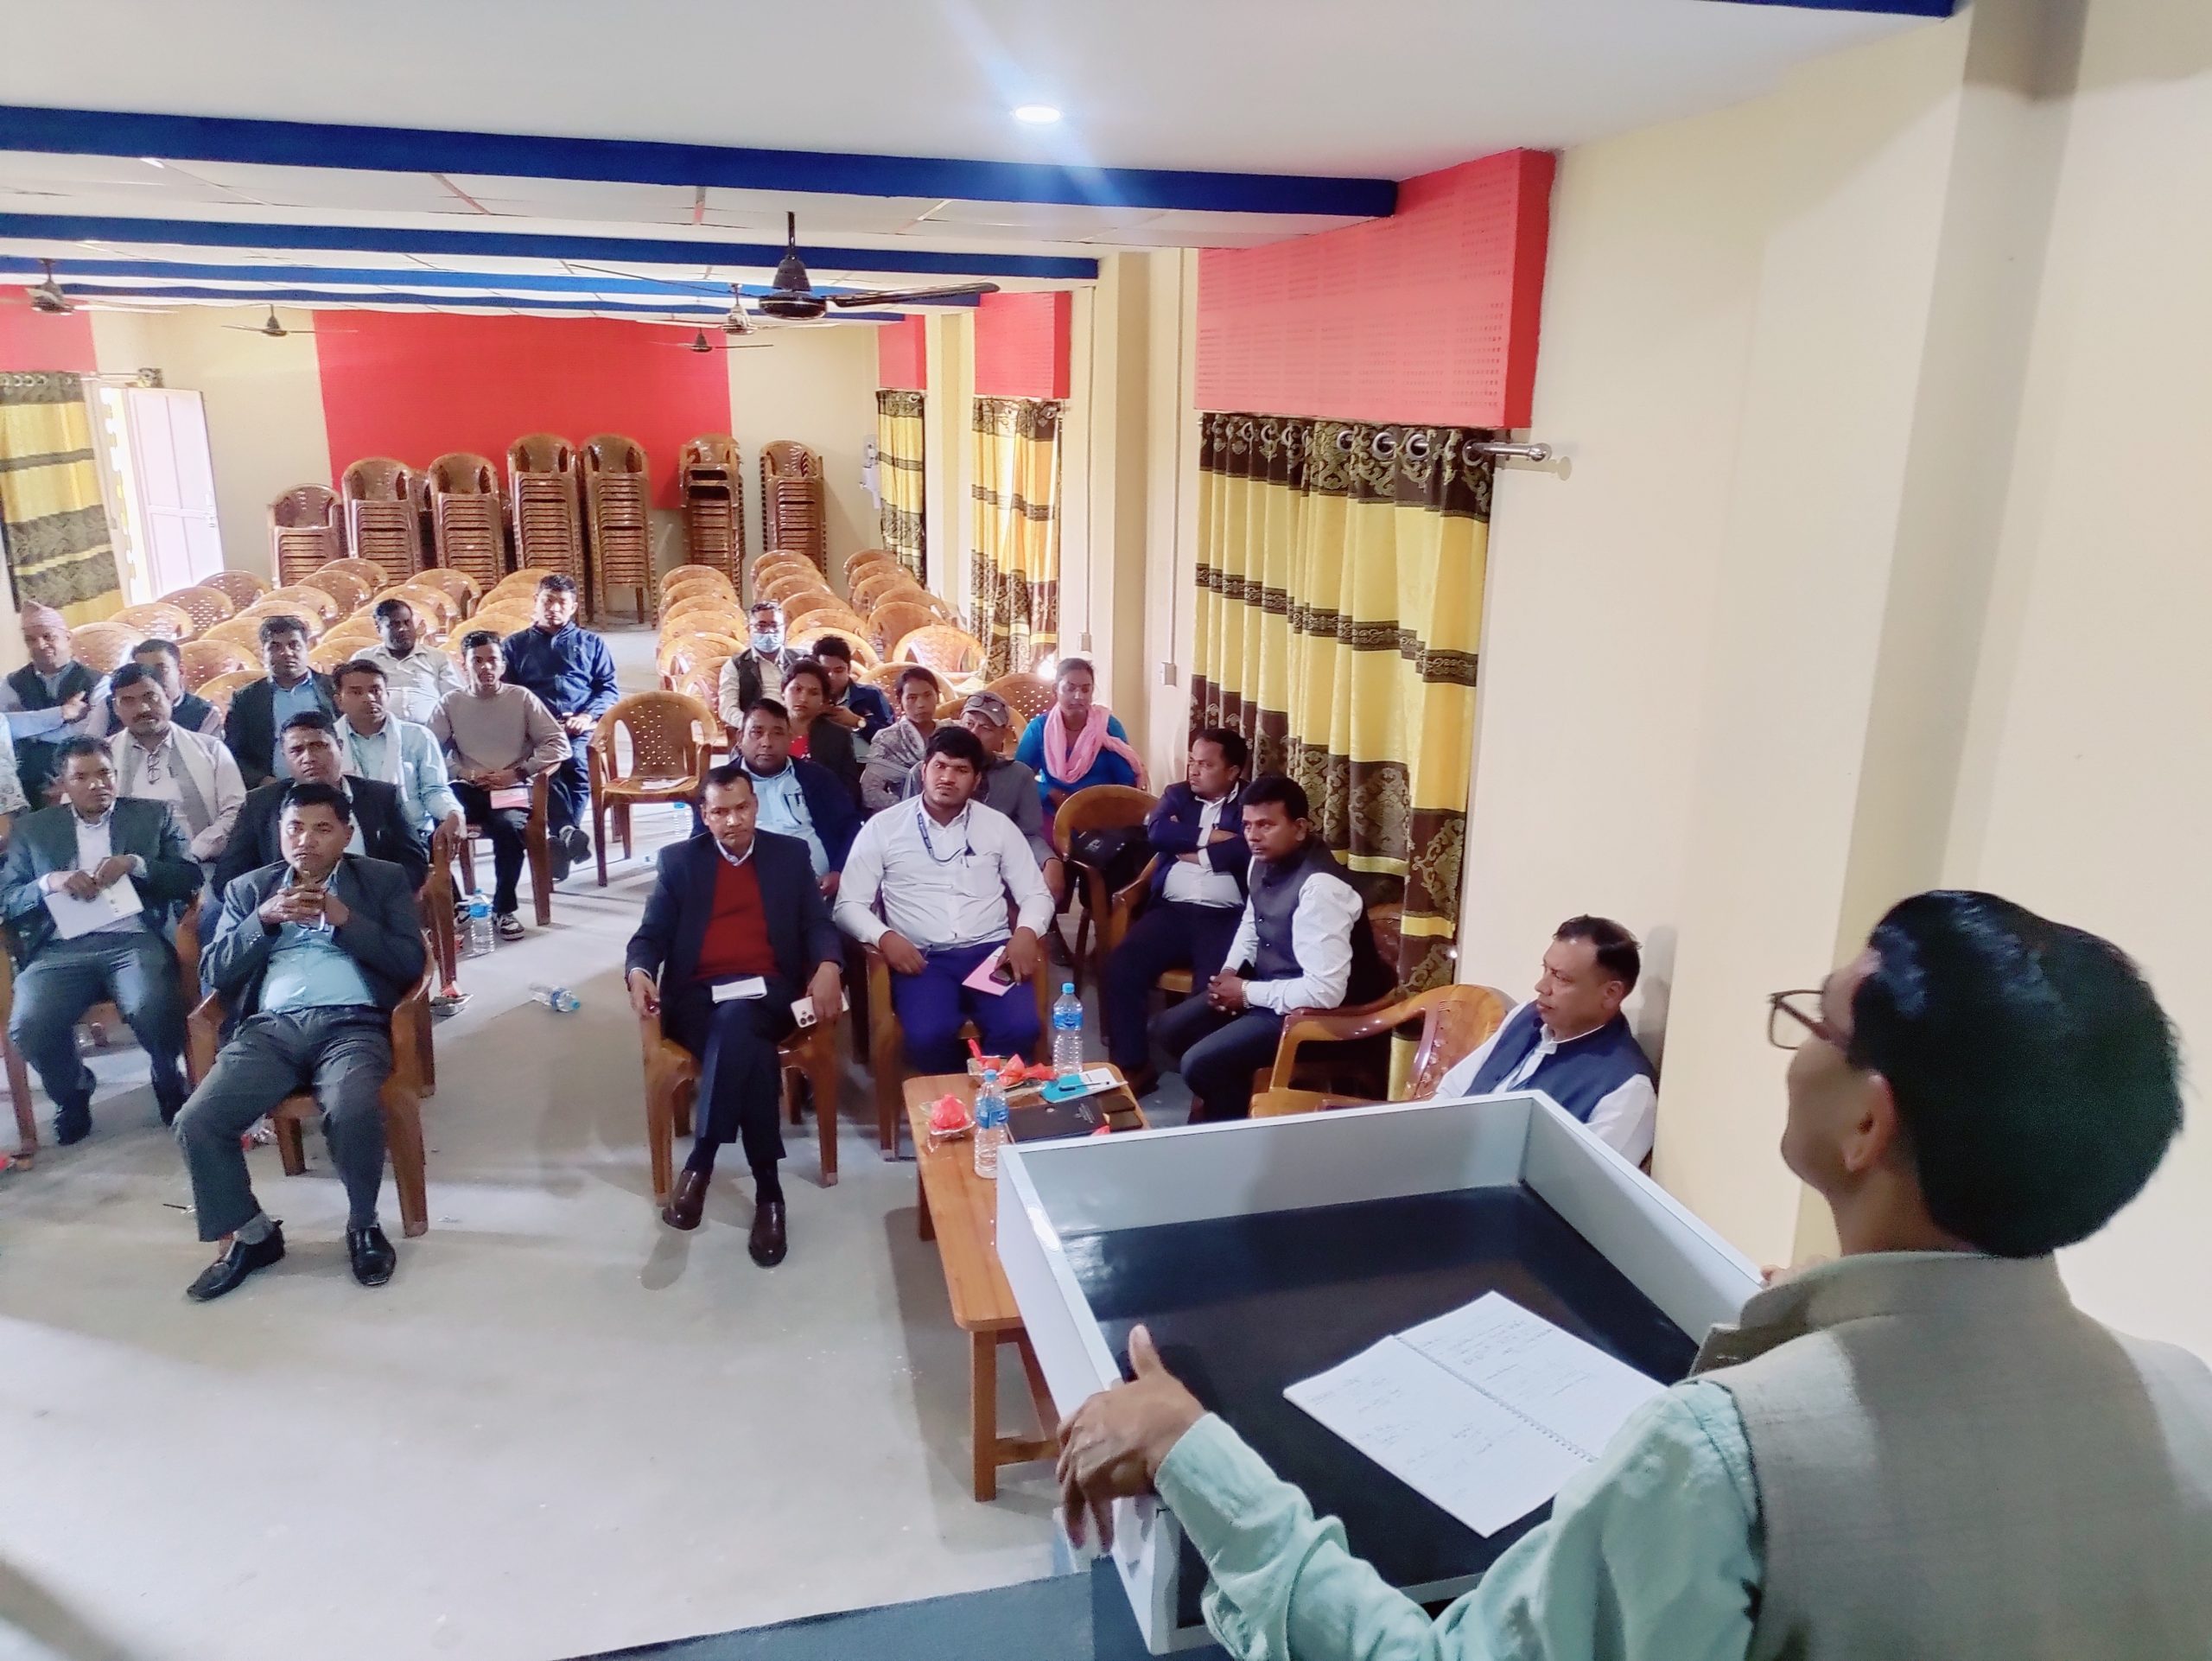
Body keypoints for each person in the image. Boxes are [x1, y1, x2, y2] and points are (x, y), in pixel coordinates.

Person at [1056, 889, 2212, 1661]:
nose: (1793, 1051)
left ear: (1868, 1121)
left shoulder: (1720, 1456)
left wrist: (1192, 1447)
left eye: (1814, 1020)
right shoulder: (2186, 1403)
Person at [174, 780, 427, 1301]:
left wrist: (345, 920)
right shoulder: (250, 889)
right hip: (271, 1029)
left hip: (352, 1023)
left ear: (346, 835)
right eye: (294, 828)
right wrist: (262, 922)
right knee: (198, 1121)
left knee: (352, 1107)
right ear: (279, 832)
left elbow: (409, 963)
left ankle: (363, 1224)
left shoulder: (380, 879)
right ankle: (254, 1235)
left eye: (321, 829)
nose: (305, 840)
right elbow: (214, 971)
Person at [626, 766, 844, 1264]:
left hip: (770, 991)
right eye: (720, 812)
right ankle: (770, 1194)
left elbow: (816, 924)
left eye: (742, 808)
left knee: (740, 1022)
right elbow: (650, 935)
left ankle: (701, 1163)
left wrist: (830, 964)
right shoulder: (680, 862)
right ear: (704, 816)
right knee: (746, 1044)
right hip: (698, 997)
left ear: (755, 807)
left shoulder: (789, 856)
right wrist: (639, 972)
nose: (732, 821)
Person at [1154, 776, 1389, 1122]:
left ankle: (1236, 1130)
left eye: (1266, 825)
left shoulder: (1321, 889)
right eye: (1248, 825)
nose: (1253, 835)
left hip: (1321, 1016)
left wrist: (1245, 993)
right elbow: (1253, 920)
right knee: (1169, 1029)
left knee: (1200, 1064)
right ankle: (1233, 1097)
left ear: (1299, 828)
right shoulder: (1261, 858)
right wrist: (1230, 972)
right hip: (1274, 989)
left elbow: (1325, 992)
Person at [0, 737, 199, 1142]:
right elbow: (8, 899)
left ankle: (166, 1075)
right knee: (29, 1024)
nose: (97, 784)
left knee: (150, 1004)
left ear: (115, 774)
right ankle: (72, 1093)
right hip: (60, 949)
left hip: (133, 941)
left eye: (104, 773)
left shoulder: (153, 815)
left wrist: (136, 864)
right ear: (62, 784)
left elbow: (189, 877)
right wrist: (48, 883)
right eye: (82, 777)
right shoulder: (33, 829)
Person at [835, 725, 1053, 1072]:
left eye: (961, 770)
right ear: (923, 770)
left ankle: (991, 1091)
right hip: (923, 959)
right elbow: (848, 905)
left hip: (990, 954)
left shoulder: (997, 826)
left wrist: (1026, 932)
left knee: (1020, 1027)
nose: (948, 778)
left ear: (976, 779)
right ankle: (956, 1090)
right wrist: (885, 937)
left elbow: (1036, 893)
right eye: (940, 766)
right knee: (927, 1036)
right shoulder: (884, 828)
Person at [1427, 916, 1660, 1165]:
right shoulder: (1527, 1016)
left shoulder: (1626, 1089)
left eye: (1561, 978)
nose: (1541, 986)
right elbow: (1453, 1090)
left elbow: (1583, 1181)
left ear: (1610, 994)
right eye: (1545, 970)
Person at [1102, 729, 1251, 1091]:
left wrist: (1195, 850)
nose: (1194, 771)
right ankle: (1133, 1065)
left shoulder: (1251, 801)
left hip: (1226, 916)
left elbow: (1248, 848)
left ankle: (1200, 1069)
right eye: (1192, 762)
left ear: (1232, 771)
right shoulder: (1177, 794)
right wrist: (1212, 838)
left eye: (1206, 765)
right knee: (1122, 965)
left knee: (1212, 989)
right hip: (1171, 911)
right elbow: (1157, 834)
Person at [430, 631, 569, 939]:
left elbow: (558, 744)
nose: (486, 668)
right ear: (464, 666)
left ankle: (503, 909)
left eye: (492, 660)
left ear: (503, 665)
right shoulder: (451, 703)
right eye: (477, 661)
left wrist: (519, 772)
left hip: (512, 788)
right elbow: (429, 754)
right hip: (469, 787)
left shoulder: (521, 698)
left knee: (509, 829)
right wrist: (465, 773)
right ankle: (456, 904)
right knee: (429, 823)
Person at [211, 713, 427, 907]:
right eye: (296, 750)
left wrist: (377, 899)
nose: (308, 757)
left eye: (318, 746)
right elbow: (227, 879)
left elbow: (414, 864)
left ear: (340, 746)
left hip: (372, 910)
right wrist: (280, 903)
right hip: (286, 916)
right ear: (285, 757)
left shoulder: (382, 796)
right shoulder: (260, 804)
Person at [499, 574, 615, 875]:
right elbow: (506, 693)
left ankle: (561, 836)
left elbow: (608, 689)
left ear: (573, 607)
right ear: (535, 603)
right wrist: (532, 722)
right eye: (547, 601)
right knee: (546, 770)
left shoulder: (592, 644)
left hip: (577, 726)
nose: (553, 608)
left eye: (561, 602)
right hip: (534, 729)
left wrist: (587, 716)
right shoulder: (514, 646)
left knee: (577, 766)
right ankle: (567, 833)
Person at [898, 690, 1063, 901]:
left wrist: (1049, 861)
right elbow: (908, 832)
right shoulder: (926, 772)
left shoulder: (1019, 776)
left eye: (986, 728)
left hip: (996, 868)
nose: (974, 733)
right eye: (969, 724)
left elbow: (1029, 834)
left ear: (1002, 736)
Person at [107, 661, 246, 866]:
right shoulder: (102, 756)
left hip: (201, 864)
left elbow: (236, 809)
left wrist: (194, 853)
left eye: (150, 697)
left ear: (168, 696)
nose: (143, 708)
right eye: (128, 701)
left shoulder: (210, 749)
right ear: (116, 708)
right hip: (122, 870)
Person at [332, 659, 463, 854]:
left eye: (376, 690)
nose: (369, 698)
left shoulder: (418, 737)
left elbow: (434, 789)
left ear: (387, 695)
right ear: (339, 701)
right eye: (356, 692)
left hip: (409, 836)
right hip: (349, 840)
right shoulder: (328, 742)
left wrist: (452, 811)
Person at [734, 699, 859, 899]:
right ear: (740, 738)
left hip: (818, 892)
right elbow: (702, 843)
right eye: (757, 733)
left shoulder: (818, 778)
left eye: (777, 733)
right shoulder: (721, 786)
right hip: (749, 895)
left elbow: (850, 826)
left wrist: (839, 870)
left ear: (790, 738)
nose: (766, 742)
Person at [1014, 657, 1147, 841]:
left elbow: (1125, 781)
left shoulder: (1107, 726)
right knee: (1043, 844)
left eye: (1086, 689)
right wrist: (1051, 793)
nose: (1079, 696)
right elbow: (1019, 776)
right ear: (1055, 689)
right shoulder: (1039, 728)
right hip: (1055, 809)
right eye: (1070, 689)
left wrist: (1097, 806)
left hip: (1103, 812)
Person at [3, 601, 103, 803]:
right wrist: (61, 714)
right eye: (31, 640)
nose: (40, 645)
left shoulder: (98, 682)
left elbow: (90, 732)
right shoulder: (12, 683)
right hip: (25, 782)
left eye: (48, 637)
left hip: (83, 778)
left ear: (67, 638)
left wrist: (30, 731)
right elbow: (3, 726)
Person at [222, 614, 335, 789]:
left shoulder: (333, 688)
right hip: (274, 790)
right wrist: (261, 781)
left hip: (333, 785)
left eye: (294, 645)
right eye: (275, 647)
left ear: (307, 648)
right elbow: (232, 753)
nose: (286, 653)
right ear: (263, 654)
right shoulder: (246, 699)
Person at [356, 595, 463, 727]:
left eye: (407, 622)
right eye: (394, 625)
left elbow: (456, 699)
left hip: (431, 731)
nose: (403, 629)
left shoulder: (438, 657)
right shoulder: (364, 659)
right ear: (379, 628)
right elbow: (353, 700)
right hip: (379, 730)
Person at [858, 667, 944, 814]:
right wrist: (911, 808)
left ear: (938, 696)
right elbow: (870, 791)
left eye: (928, 695)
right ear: (900, 701)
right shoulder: (887, 739)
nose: (921, 704)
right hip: (903, 814)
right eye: (912, 698)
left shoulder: (952, 732)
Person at [779, 659, 861, 803]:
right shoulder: (765, 730)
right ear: (783, 691)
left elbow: (849, 790)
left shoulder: (837, 736)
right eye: (797, 689)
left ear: (823, 700)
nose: (803, 698)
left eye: (813, 693)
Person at [104, 638, 221, 736]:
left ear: (180, 671)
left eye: (161, 669)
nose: (152, 676)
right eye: (144, 670)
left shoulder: (204, 713)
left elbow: (205, 753)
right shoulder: (112, 704)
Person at [716, 600, 803, 723]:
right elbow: (727, 709)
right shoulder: (737, 665)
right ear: (749, 630)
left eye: (774, 625)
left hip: (798, 724)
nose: (769, 631)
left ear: (784, 628)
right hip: (759, 727)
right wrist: (752, 725)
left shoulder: (801, 659)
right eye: (761, 626)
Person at [811, 634, 893, 751]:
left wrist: (857, 722)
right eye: (825, 671)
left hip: (867, 759)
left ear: (848, 669)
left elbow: (891, 739)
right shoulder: (808, 699)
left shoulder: (871, 695)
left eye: (839, 670)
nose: (832, 677)